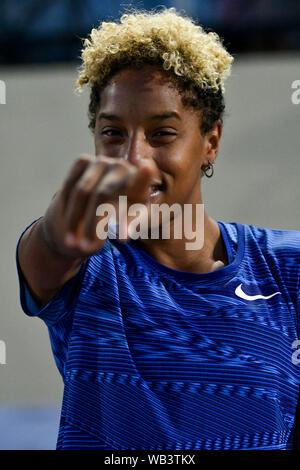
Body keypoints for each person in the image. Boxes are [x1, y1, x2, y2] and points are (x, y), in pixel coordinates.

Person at [16, 8, 300, 450]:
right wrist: (55, 233)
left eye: (162, 133)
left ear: (211, 142)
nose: (133, 158)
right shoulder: (89, 270)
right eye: (113, 133)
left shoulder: (286, 266)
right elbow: (44, 255)